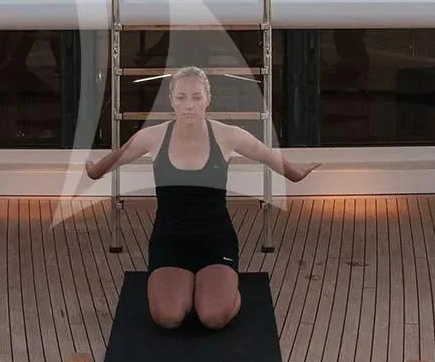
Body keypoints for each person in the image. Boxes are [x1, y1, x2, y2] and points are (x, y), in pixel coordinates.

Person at [84, 66, 311, 331]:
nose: (189, 104)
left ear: (207, 99)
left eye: (196, 97)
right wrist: (92, 170)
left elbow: (268, 156)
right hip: (170, 242)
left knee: (213, 318)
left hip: (215, 242)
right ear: (171, 100)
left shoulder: (228, 135)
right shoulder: (153, 136)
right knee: (168, 318)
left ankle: (215, 291)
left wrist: (298, 174)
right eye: (181, 97)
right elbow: (112, 160)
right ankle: (189, 290)